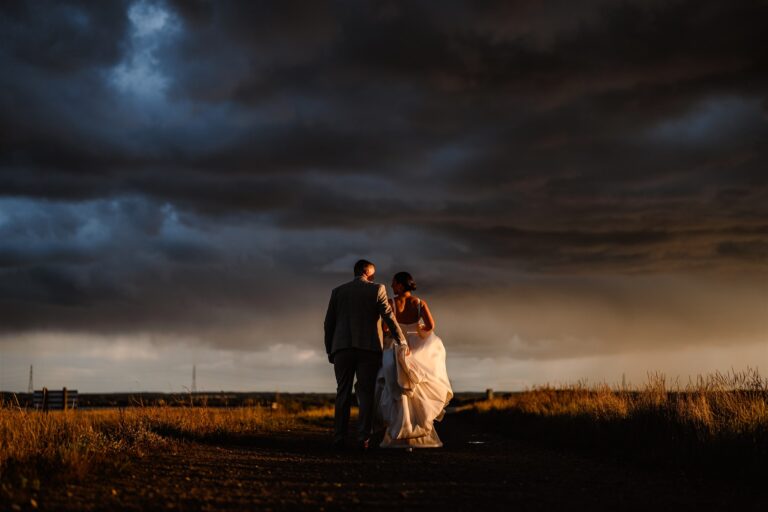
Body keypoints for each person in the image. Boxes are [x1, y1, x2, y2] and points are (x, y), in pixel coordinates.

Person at [324, 259, 406, 450]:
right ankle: (363, 438)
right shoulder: (377, 289)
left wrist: (330, 349)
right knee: (366, 394)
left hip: (341, 349)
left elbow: (329, 324)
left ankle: (339, 437)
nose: (374, 277)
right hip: (368, 349)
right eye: (373, 273)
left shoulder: (338, 292)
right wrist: (401, 340)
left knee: (342, 393)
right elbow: (388, 316)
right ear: (367, 272)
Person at [376, 271, 453, 448]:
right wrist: (418, 331)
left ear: (401, 285)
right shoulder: (419, 303)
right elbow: (431, 326)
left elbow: (386, 329)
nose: (392, 286)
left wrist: (394, 333)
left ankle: (399, 430)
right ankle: (415, 429)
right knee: (416, 390)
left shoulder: (390, 303)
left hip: (397, 346)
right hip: (415, 347)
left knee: (396, 386)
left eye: (394, 283)